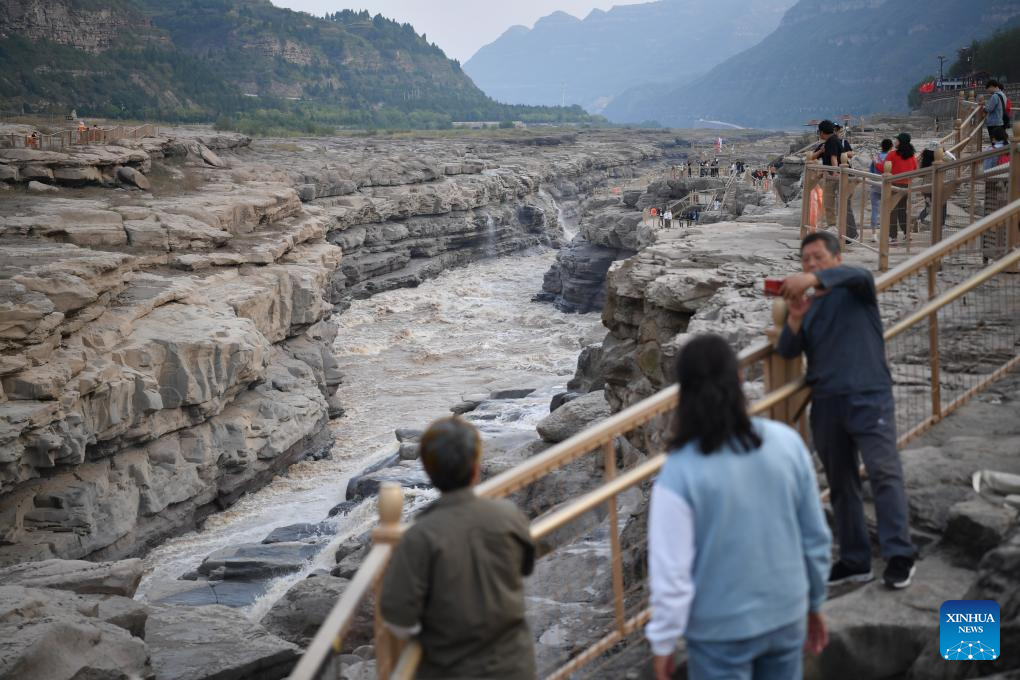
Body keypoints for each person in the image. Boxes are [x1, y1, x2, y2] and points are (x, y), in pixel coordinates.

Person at [646, 334, 831, 680]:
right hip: (786, 614)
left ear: (683, 392)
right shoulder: (786, 443)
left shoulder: (679, 472)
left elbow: (672, 575)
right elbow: (815, 538)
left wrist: (664, 642)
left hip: (720, 631)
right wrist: (815, 602)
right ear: (740, 380)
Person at [778, 231, 918, 590]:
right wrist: (794, 318)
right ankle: (855, 560)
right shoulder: (811, 308)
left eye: (818, 257)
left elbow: (859, 274)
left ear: (836, 259)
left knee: (884, 472)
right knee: (841, 483)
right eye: (805, 259)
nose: (810, 263)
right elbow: (789, 351)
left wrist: (812, 279)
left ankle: (899, 553)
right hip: (826, 403)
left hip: (868, 396)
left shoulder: (857, 288)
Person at [380, 417, 536, 679]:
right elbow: (525, 566)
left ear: (428, 473)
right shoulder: (509, 515)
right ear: (475, 468)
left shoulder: (420, 535)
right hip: (515, 665)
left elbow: (397, 618)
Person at [885, 133, 917, 245]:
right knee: (902, 210)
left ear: (900, 142)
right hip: (906, 186)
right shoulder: (912, 156)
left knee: (892, 210)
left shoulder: (892, 154)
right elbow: (915, 169)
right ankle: (907, 233)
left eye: (896, 140)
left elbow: (886, 168)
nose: (895, 142)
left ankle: (893, 237)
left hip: (894, 185)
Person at [811, 120, 843, 231]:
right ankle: (834, 225)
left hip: (833, 175)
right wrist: (820, 151)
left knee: (828, 201)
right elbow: (811, 157)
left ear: (822, 132)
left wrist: (834, 172)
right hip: (834, 174)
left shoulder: (831, 141)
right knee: (831, 201)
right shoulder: (831, 141)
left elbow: (834, 158)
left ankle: (833, 225)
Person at [869, 139, 893, 240]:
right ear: (891, 146)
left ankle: (874, 234)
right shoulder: (891, 156)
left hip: (875, 184)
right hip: (887, 184)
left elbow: (871, 170)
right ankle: (888, 233)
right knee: (889, 209)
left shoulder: (876, 157)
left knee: (875, 209)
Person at [984, 79, 1008, 144]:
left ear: (992, 86)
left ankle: (996, 153)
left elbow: (989, 109)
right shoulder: (1003, 95)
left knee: (994, 142)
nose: (988, 91)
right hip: (1001, 121)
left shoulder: (995, 96)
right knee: (1001, 141)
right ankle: (1003, 153)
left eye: (988, 89)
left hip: (993, 122)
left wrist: (983, 107)